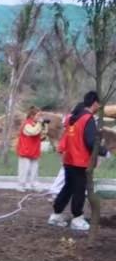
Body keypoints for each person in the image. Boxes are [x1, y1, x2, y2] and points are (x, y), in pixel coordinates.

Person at [48, 91, 106, 232]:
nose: (99, 107)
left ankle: (56, 215)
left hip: (69, 159)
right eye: (98, 104)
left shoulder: (72, 118)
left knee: (67, 188)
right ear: (95, 103)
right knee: (79, 190)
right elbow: (91, 142)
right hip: (80, 161)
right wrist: (104, 151)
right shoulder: (88, 119)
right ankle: (77, 218)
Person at [16, 106, 45, 191]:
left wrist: (44, 125)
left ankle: (34, 185)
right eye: (38, 115)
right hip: (25, 151)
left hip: (34, 151)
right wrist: (40, 124)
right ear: (32, 116)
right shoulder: (27, 124)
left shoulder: (36, 124)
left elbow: (42, 134)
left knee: (34, 170)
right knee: (24, 170)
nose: (40, 117)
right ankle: (21, 185)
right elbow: (33, 132)